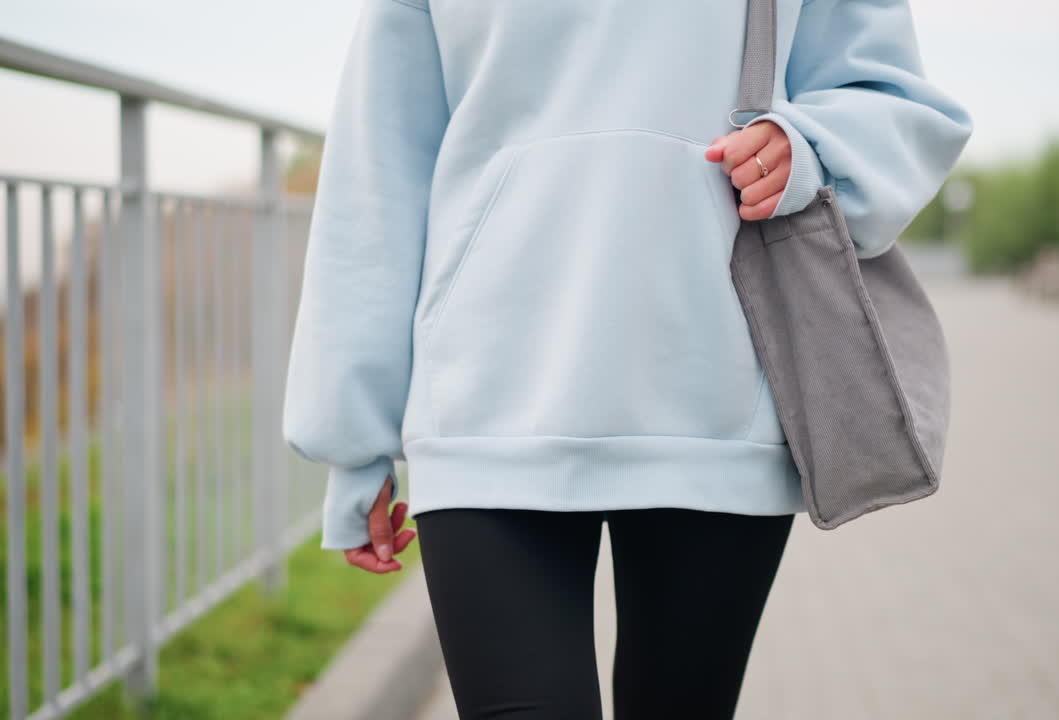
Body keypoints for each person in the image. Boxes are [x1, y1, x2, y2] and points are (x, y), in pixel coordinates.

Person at [281, 0, 971, 716]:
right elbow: (378, 167)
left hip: (716, 408)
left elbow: (890, 98)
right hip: (483, 408)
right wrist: (352, 439)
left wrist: (807, 150)